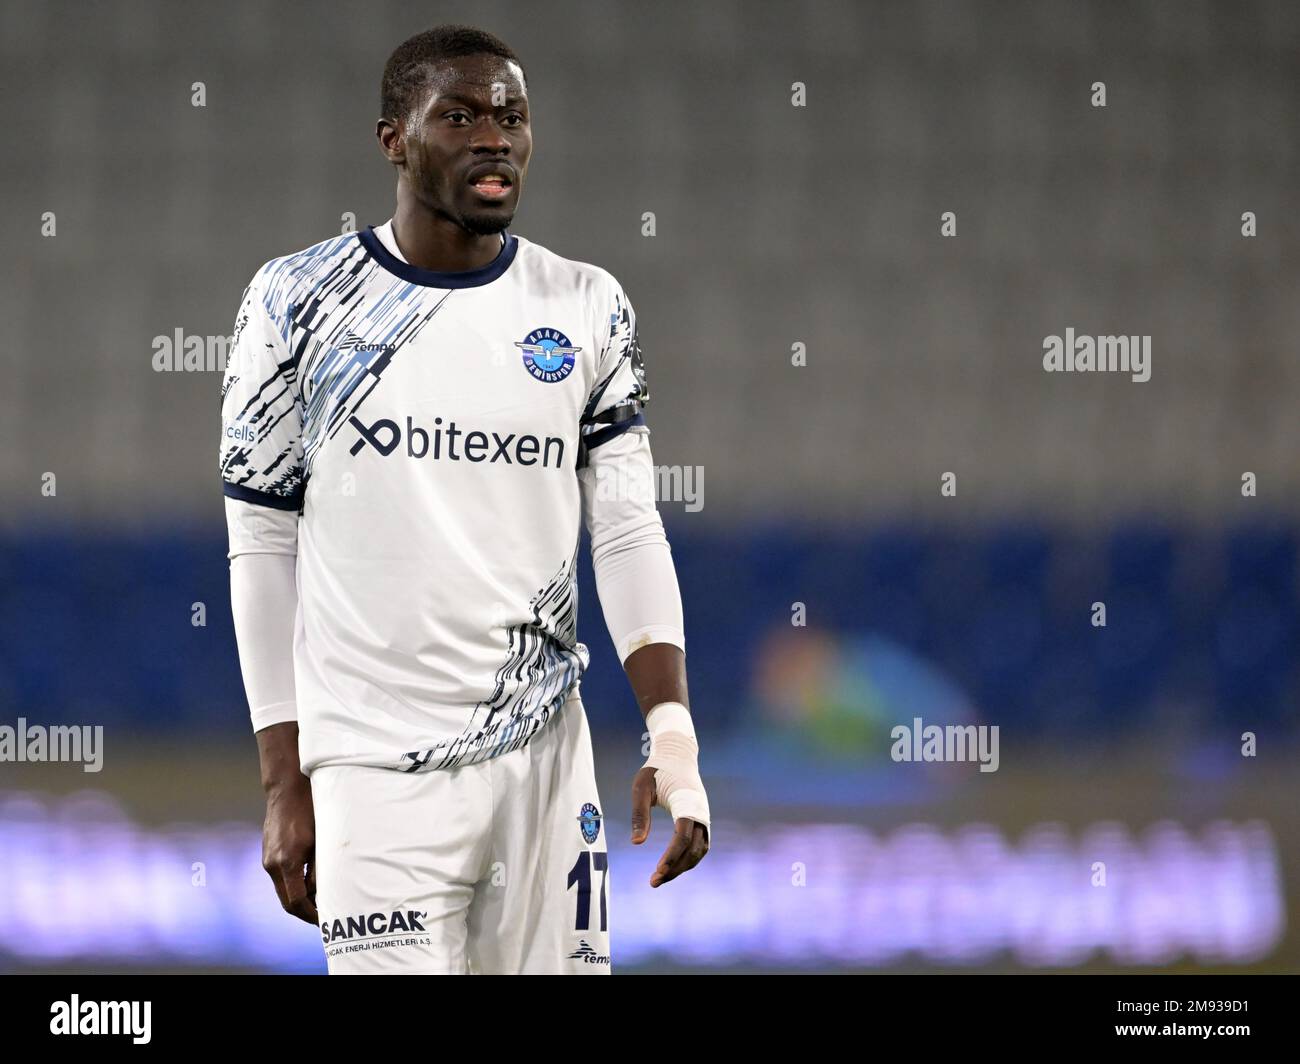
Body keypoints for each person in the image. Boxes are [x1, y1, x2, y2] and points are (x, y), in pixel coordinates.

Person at [219, 24, 710, 974]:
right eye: (461, 115)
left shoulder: (584, 306)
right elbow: (262, 541)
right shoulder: (296, 304)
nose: (495, 136)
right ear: (393, 139)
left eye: (513, 117)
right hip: (375, 770)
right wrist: (284, 779)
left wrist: (674, 738)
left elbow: (626, 528)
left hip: (546, 762)